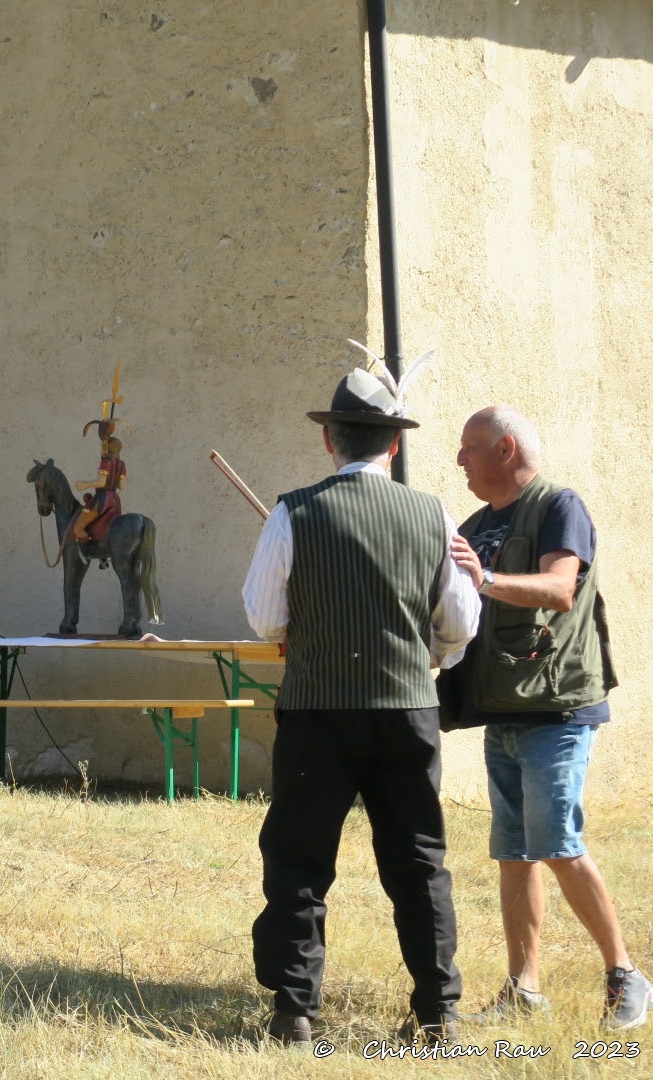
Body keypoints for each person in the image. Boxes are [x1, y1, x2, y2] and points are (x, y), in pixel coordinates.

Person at [241, 364, 481, 1047]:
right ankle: (439, 1013)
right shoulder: (432, 513)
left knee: (298, 858)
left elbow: (263, 616)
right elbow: (460, 621)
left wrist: (302, 633)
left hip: (317, 712)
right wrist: (428, 655)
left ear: (330, 442)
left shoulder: (295, 510)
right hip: (408, 711)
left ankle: (294, 1013)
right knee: (419, 861)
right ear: (393, 445)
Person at [445, 406, 647, 1030]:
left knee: (556, 842)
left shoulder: (561, 506)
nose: (460, 461)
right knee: (514, 852)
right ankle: (524, 988)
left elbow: (561, 589)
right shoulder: (476, 525)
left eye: (471, 448)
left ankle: (627, 976)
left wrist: (486, 577)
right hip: (502, 710)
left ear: (506, 449)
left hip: (556, 710)